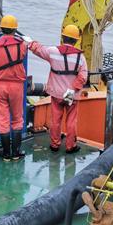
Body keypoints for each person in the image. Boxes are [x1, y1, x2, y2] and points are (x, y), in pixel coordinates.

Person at [30, 24, 88, 153]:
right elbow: (83, 77)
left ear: (63, 37)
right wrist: (73, 89)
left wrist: (30, 43)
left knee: (55, 120)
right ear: (76, 40)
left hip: (56, 93)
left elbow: (38, 49)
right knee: (71, 121)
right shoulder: (80, 58)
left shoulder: (53, 52)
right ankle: (70, 146)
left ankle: (55, 144)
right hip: (71, 95)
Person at [0, 15, 28, 161]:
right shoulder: (22, 45)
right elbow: (24, 52)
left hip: (0, 86)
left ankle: (6, 154)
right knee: (17, 119)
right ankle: (16, 152)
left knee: (2, 120)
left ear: (1, 28)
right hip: (17, 86)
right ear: (15, 29)